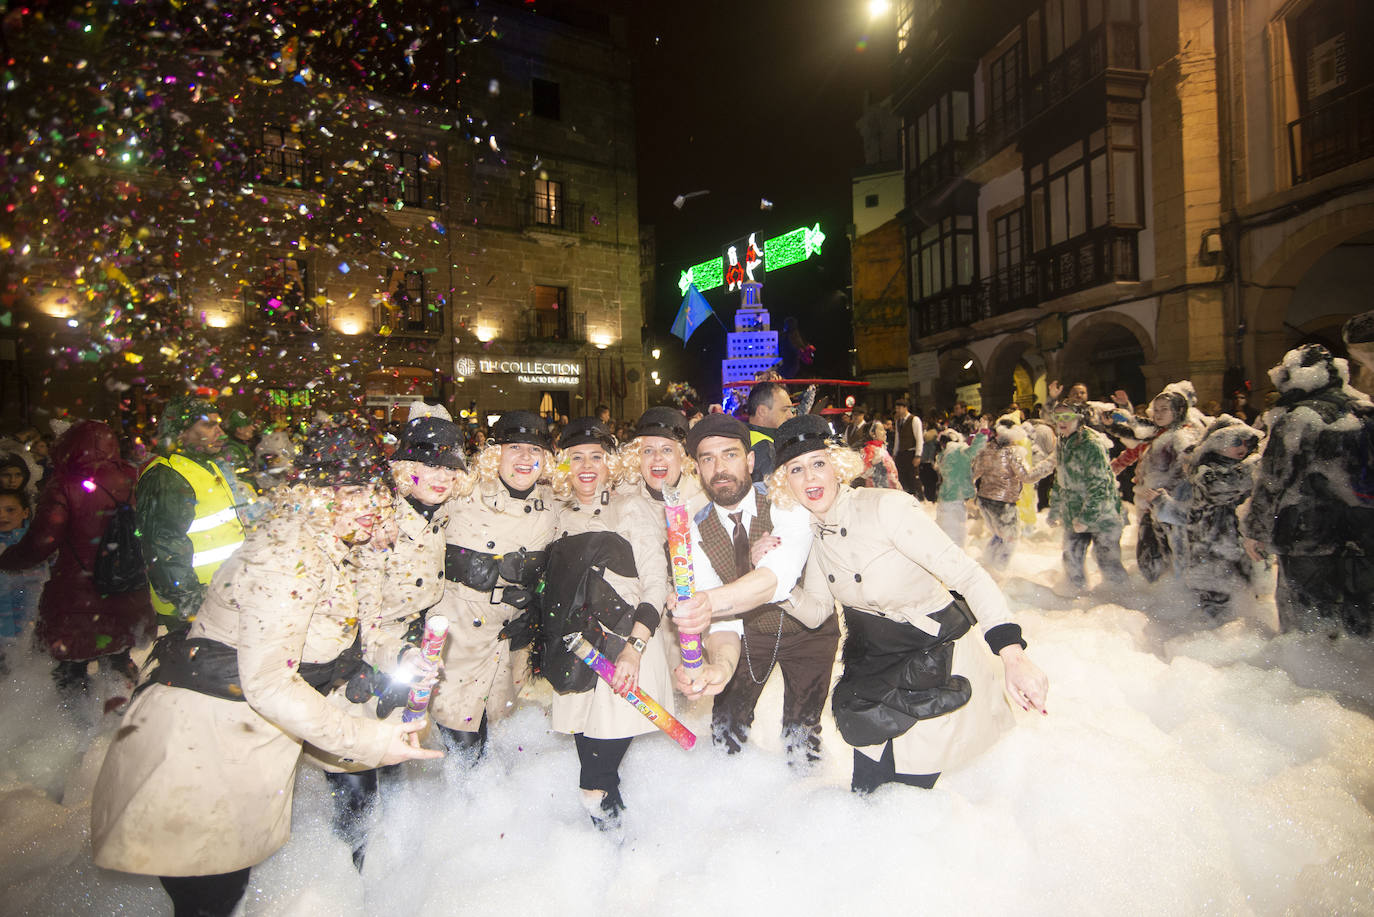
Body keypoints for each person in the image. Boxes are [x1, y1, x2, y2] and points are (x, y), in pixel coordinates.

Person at [90, 424, 443, 917]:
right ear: (309, 494)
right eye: (344, 490)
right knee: (210, 897)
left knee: (224, 891)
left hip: (242, 740)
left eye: (372, 490)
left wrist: (400, 657)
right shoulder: (286, 557)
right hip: (204, 746)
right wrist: (371, 742)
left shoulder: (329, 548)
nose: (365, 503)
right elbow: (270, 683)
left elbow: (344, 630)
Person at [767, 414, 1048, 793]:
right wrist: (777, 583)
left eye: (819, 463)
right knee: (868, 791)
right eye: (796, 470)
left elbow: (968, 576)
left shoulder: (887, 508)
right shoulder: (817, 534)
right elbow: (817, 610)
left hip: (934, 658)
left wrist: (1013, 655)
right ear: (787, 483)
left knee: (915, 793)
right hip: (874, 666)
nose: (811, 478)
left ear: (837, 466)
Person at [326, 413, 470, 869]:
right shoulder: (379, 528)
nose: (442, 476)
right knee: (355, 792)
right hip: (357, 670)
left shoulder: (435, 514)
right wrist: (403, 654)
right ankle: (351, 884)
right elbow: (362, 623)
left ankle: (395, 876)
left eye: (450, 467)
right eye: (429, 465)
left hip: (403, 665)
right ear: (403, 467)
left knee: (393, 772)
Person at [672, 414, 839, 764]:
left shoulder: (785, 499)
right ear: (697, 470)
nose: (720, 467)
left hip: (810, 631)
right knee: (725, 730)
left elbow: (780, 574)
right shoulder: (693, 532)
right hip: (748, 637)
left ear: (749, 460)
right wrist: (720, 665)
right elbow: (724, 622)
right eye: (707, 459)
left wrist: (706, 602)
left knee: (803, 735)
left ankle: (804, 801)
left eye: (730, 455)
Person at [538, 418, 672, 828]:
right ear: (563, 465)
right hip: (577, 654)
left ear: (611, 463)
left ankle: (612, 847)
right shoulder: (554, 516)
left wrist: (634, 648)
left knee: (593, 778)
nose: (587, 466)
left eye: (596, 456)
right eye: (576, 457)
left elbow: (655, 583)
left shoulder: (631, 508)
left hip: (628, 646)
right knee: (599, 776)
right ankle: (614, 851)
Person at [428, 410, 556, 757]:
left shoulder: (552, 506)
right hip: (456, 643)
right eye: (515, 447)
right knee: (460, 745)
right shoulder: (461, 492)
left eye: (535, 450)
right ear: (494, 453)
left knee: (497, 740)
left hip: (507, 645)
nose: (525, 458)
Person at [0, 421, 154, 705]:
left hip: (78, 591)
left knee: (72, 666)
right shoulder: (132, 475)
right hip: (127, 583)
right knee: (118, 654)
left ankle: (77, 724)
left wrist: (8, 558)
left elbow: (42, 541)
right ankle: (124, 713)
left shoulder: (65, 485)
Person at [1243, 344, 1374, 636]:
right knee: (1360, 620)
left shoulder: (1298, 417)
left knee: (1309, 622)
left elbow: (1273, 479)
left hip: (1308, 534)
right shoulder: (1364, 409)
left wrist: (1255, 529)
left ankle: (1312, 677)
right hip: (1363, 534)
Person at [617, 407, 740, 692]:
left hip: (696, 621)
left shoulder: (705, 502)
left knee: (691, 693)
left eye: (666, 450)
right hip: (641, 619)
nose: (657, 458)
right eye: (648, 451)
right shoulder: (623, 498)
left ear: (682, 458)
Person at [137, 397, 246, 629]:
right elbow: (163, 545)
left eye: (219, 424)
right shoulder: (167, 475)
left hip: (222, 596)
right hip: (193, 606)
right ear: (180, 433)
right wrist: (188, 600)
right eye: (208, 425)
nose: (220, 433)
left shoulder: (208, 465)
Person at [1151, 415, 1261, 619]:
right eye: (1235, 441)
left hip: (1238, 556)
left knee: (1241, 607)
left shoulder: (1243, 472)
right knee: (1215, 608)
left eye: (1247, 442)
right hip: (1211, 557)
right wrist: (1162, 504)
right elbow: (1213, 494)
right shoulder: (1206, 475)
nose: (1242, 447)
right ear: (1215, 444)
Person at [1047, 404, 1128, 591]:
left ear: (1078, 418)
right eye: (1057, 417)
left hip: (1101, 516)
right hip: (1073, 512)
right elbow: (1061, 479)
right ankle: (1075, 598)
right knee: (1071, 558)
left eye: (1067, 416)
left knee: (1108, 562)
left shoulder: (1091, 444)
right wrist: (1055, 509)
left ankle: (1118, 600)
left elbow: (1101, 486)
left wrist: (1086, 518)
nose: (1061, 422)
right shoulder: (1062, 441)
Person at [1131, 385, 1203, 583]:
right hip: (1154, 506)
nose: (1158, 413)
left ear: (1179, 411)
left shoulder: (1182, 436)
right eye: (1156, 409)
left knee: (1176, 556)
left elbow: (1190, 466)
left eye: (1165, 409)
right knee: (1153, 555)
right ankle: (1162, 596)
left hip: (1172, 507)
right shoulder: (1162, 435)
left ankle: (1179, 597)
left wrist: (1168, 497)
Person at [972, 415, 1053, 572]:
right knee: (1010, 539)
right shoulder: (1013, 453)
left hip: (984, 500)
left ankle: (987, 565)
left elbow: (974, 472)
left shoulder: (987, 449)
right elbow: (1027, 476)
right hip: (1003, 503)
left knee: (999, 535)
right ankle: (999, 571)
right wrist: (1049, 464)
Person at [0, 489, 45, 664]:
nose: (3, 515)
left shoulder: (36, 542)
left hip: (31, 624)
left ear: (26, 512)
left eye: (10, 510)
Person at [933, 428, 987, 548]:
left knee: (944, 530)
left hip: (944, 496)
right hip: (956, 497)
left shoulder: (941, 456)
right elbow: (975, 449)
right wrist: (983, 433)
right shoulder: (958, 451)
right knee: (955, 534)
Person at [745, 381, 793, 483]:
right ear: (762, 411)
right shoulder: (766, 447)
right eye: (784, 410)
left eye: (791, 410)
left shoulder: (742, 437)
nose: (790, 416)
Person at [889, 398, 923, 497]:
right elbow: (897, 439)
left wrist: (918, 455)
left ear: (905, 408)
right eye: (896, 408)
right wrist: (895, 454)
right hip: (901, 453)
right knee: (902, 478)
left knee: (913, 478)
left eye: (899, 408)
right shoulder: (898, 421)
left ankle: (918, 498)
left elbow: (919, 439)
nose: (897, 411)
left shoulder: (914, 419)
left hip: (911, 453)